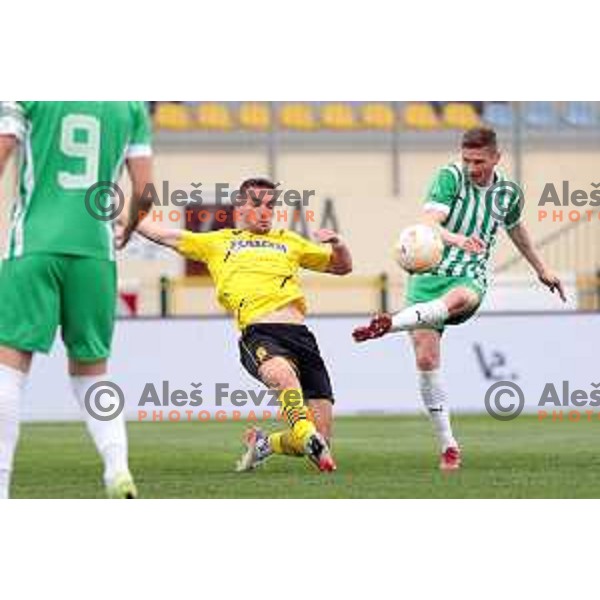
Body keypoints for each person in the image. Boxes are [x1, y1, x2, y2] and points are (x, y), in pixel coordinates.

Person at [353, 127, 565, 471]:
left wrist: (541, 268)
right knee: (425, 359)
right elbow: (428, 222)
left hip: (470, 273)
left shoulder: (507, 192)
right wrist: (457, 239)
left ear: (497, 157)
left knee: (461, 298)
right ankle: (449, 445)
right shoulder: (450, 177)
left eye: (479, 161)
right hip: (429, 275)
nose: (471, 167)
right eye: (466, 159)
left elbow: (515, 228)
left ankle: (391, 323)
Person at [128, 177, 352, 472]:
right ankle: (305, 432)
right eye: (256, 204)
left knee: (321, 442)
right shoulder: (218, 242)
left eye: (270, 205)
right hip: (261, 333)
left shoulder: (289, 241)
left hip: (301, 336)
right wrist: (124, 214)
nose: (264, 211)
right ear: (240, 207)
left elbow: (342, 267)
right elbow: (163, 235)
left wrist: (339, 244)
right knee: (282, 376)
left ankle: (265, 445)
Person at [0, 101, 153, 498]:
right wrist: (131, 224)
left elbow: (4, 147)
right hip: (95, 253)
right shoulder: (130, 105)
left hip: (33, 246)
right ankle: (117, 468)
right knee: (92, 371)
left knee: (9, 367)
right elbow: (145, 192)